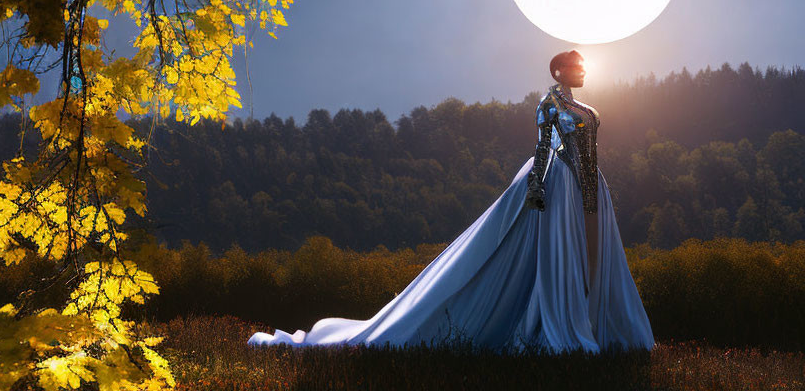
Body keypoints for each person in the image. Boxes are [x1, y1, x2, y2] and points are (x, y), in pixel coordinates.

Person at [246, 50, 654, 353]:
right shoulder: (549, 105)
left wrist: (590, 184)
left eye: (584, 67)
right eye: (574, 67)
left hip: (589, 185)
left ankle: (600, 321)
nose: (581, 72)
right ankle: (559, 322)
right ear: (557, 71)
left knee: (596, 256)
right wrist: (536, 187)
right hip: (562, 181)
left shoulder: (581, 106)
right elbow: (543, 147)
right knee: (560, 257)